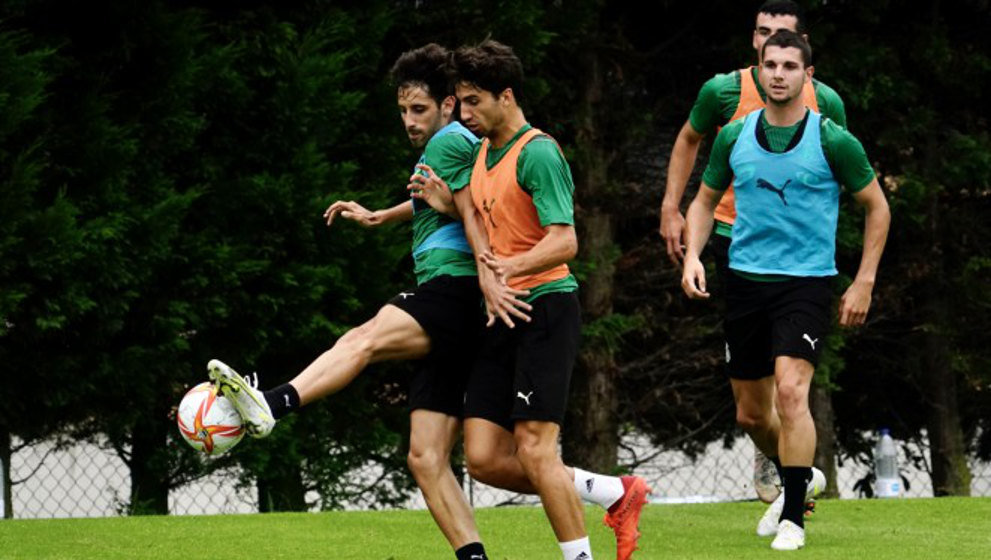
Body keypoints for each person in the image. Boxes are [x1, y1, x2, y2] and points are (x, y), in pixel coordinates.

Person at [209, 43, 642, 560]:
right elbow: (461, 200)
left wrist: (490, 271)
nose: (418, 121)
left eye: (429, 108)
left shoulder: (496, 143)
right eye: (405, 111)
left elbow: (518, 227)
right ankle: (604, 494)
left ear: (478, 101)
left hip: (482, 295)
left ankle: (275, 403)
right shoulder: (477, 148)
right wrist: (385, 215)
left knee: (366, 340)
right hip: (488, 304)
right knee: (441, 457)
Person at [434, 40, 650, 560]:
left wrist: (506, 269)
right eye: (460, 102)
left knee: (535, 450)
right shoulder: (485, 151)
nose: (464, 114)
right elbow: (487, 222)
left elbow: (564, 241)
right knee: (483, 459)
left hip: (545, 309)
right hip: (502, 313)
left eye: (473, 102)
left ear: (505, 96)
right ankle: (614, 492)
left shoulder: (539, 152)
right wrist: (449, 208)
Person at [681, 31, 890, 550]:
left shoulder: (833, 139)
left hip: (807, 283)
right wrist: (691, 257)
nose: (779, 74)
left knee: (793, 394)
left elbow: (878, 207)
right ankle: (800, 475)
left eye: (790, 66)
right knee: (751, 413)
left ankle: (794, 514)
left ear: (807, 76)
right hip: (746, 281)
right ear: (761, 68)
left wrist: (862, 281)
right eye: (770, 64)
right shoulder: (734, 136)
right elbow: (704, 202)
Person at [659, 0, 846, 505]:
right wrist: (672, 208)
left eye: (783, 37)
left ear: (803, 48)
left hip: (797, 261)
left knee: (791, 384)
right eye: (764, 35)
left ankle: (789, 474)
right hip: (730, 238)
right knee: (750, 402)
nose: (772, 46)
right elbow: (688, 139)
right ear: (754, 42)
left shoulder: (826, 102)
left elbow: (838, 179)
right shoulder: (724, 91)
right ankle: (785, 458)